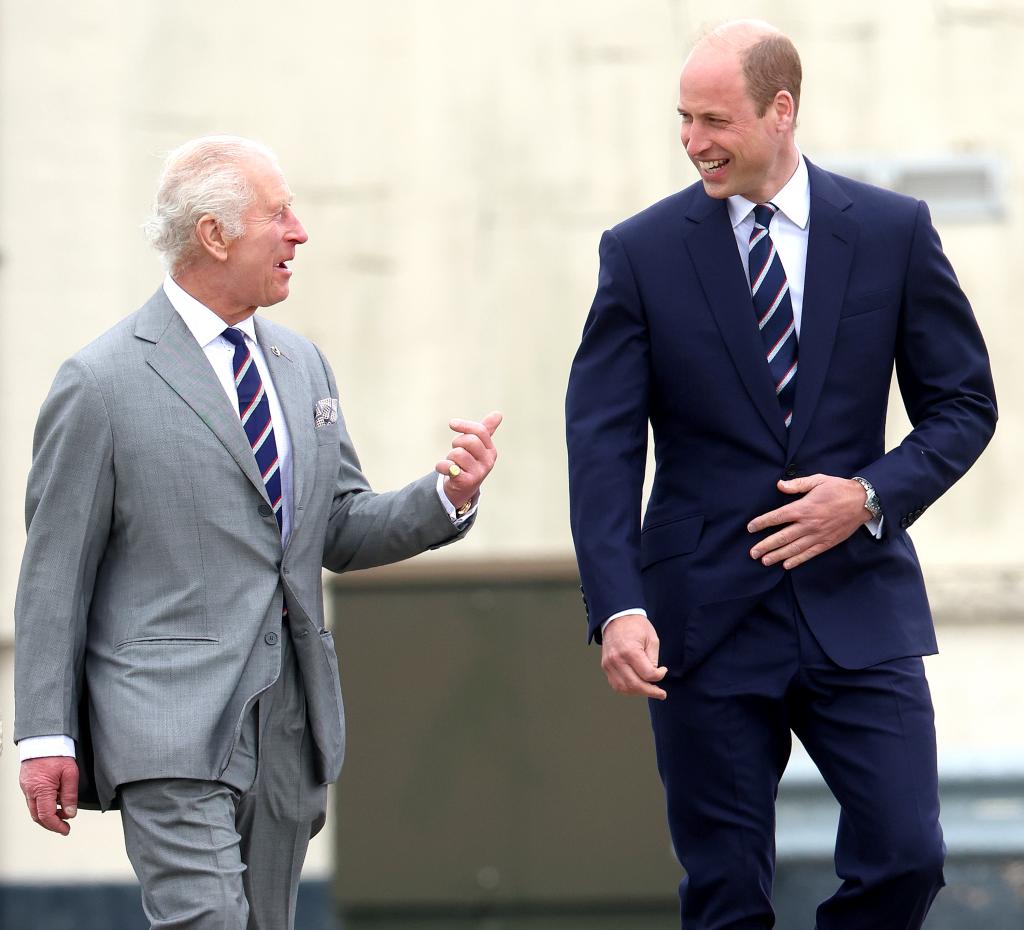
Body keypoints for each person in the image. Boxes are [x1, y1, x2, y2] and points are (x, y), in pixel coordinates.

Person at [565, 20, 996, 930]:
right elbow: (602, 444)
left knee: (909, 857)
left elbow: (964, 405)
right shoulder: (639, 253)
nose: (692, 141)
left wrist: (870, 495)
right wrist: (618, 606)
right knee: (724, 897)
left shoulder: (890, 232)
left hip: (859, 604)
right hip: (701, 620)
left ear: (782, 110)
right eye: (683, 119)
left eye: (714, 118)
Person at [15, 135, 501, 930]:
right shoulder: (99, 383)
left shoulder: (301, 365)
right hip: (165, 728)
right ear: (213, 235)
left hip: (289, 722)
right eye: (279, 215)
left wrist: (446, 495)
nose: (300, 232)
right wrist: (43, 735)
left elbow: (338, 528)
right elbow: (52, 574)